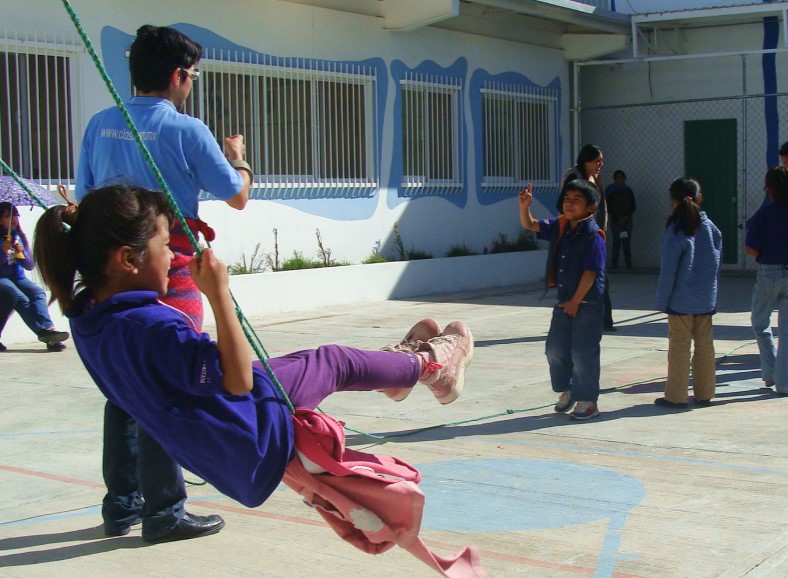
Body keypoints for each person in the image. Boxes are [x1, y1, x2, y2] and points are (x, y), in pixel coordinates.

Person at [33, 184, 474, 531]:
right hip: (252, 429)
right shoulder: (153, 327)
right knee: (334, 361)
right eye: (166, 244)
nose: (175, 255)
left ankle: (392, 372)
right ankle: (430, 366)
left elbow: (193, 374)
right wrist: (219, 294)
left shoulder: (87, 316)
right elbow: (238, 380)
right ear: (128, 258)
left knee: (303, 362)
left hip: (217, 442)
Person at [75, 25, 252, 542]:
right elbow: (236, 195)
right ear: (178, 76)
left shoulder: (100, 124)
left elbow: (89, 199)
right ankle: (164, 510)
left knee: (122, 385)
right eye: (192, 75)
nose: (191, 84)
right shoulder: (185, 129)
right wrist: (237, 155)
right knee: (166, 383)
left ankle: (121, 504)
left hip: (109, 269)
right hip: (165, 265)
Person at [518, 179, 606, 421]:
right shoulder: (561, 226)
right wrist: (525, 206)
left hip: (586, 304)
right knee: (555, 350)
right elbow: (531, 224)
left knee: (583, 353)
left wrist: (576, 301)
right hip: (564, 301)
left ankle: (588, 400)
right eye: (567, 198)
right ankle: (567, 389)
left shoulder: (593, 235)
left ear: (591, 207)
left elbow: (591, 273)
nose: (569, 203)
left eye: (577, 200)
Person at [654, 177, 722, 409]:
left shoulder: (675, 229)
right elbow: (714, 265)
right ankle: (705, 393)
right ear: (699, 198)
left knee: (680, 347)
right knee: (705, 347)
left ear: (673, 200)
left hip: (681, 301)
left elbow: (669, 270)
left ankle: (676, 396)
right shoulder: (712, 229)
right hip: (705, 300)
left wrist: (662, 301)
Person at [557, 144, 616, 332]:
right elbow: (563, 205)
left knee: (598, 276)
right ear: (586, 160)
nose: (601, 164)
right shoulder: (575, 177)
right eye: (597, 160)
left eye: (601, 160)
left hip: (595, 234)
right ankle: (583, 317)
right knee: (585, 276)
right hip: (578, 236)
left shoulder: (596, 179)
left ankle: (604, 320)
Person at [0, 201, 69, 352]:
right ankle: (44, 333)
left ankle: (48, 329)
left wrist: (22, 252)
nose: (13, 219)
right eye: (7, 216)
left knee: (38, 293)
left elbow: (29, 265)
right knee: (20, 298)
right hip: (2, 278)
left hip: (18, 277)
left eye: (15, 215)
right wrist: (3, 252)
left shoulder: (18, 236)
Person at [744, 166, 788, 396]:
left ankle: (769, 372)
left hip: (769, 273)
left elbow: (751, 248)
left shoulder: (765, 214)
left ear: (769, 189)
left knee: (761, 324)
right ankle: (784, 382)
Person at [604, 169, 636, 270]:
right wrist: (616, 217)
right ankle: (615, 264)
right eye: (618, 177)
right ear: (614, 179)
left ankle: (629, 264)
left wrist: (626, 216)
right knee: (616, 243)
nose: (620, 179)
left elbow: (633, 205)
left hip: (626, 220)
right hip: (616, 220)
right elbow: (608, 206)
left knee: (626, 243)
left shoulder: (628, 190)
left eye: (622, 177)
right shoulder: (610, 190)